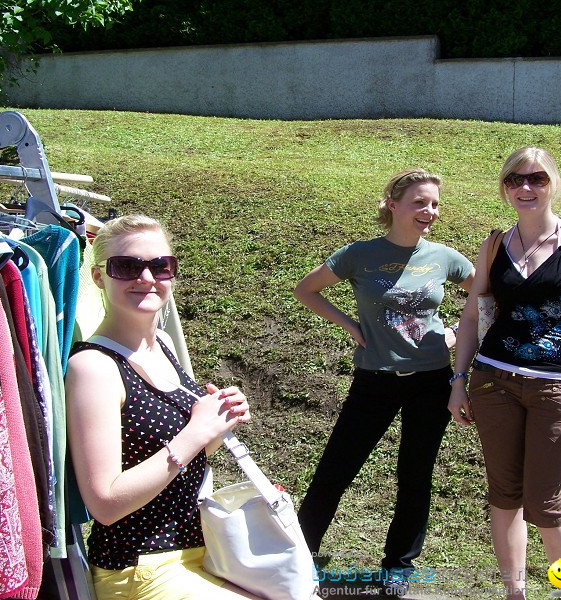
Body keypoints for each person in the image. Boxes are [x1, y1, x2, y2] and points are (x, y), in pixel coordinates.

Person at [294, 168, 475, 597]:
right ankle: (299, 556)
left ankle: (398, 569)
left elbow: (486, 298)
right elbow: (306, 289)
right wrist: (349, 325)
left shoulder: (446, 257)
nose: (428, 211)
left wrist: (453, 331)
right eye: (419, 202)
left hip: (432, 380)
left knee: (415, 475)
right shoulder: (360, 254)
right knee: (335, 470)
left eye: (434, 204)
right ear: (393, 205)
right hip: (374, 379)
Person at [65, 214, 260, 599]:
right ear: (99, 277)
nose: (147, 278)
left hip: (207, 550)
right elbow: (105, 503)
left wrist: (219, 422)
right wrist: (196, 432)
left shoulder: (165, 348)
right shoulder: (93, 367)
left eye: (160, 266)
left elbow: (187, 453)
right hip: (141, 567)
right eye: (126, 266)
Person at [447, 147, 561, 599]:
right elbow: (472, 315)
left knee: (546, 506)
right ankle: (514, 592)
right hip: (492, 382)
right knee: (504, 497)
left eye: (537, 178)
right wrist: (459, 381)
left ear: (553, 183)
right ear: (504, 187)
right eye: (515, 180)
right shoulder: (495, 244)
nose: (526, 187)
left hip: (555, 387)